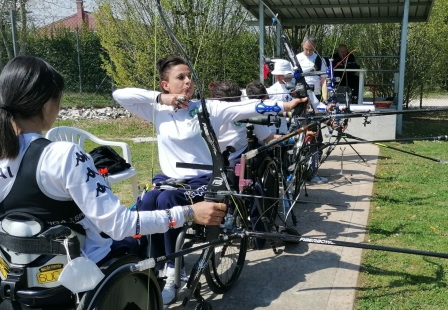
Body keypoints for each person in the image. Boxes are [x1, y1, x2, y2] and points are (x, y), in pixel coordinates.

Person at [0, 56, 226, 303]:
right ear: (48, 103)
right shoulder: (64, 154)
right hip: (81, 272)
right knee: (139, 243)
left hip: (16, 276)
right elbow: (120, 225)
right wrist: (188, 212)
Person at [112, 55, 307, 304]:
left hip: (203, 180)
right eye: (180, 78)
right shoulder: (157, 110)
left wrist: (286, 105)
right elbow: (120, 94)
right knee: (149, 199)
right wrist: (163, 100)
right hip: (169, 179)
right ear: (165, 85)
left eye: (189, 76)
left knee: (168, 200)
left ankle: (174, 270)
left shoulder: (206, 108)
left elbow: (247, 107)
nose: (187, 81)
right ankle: (156, 265)